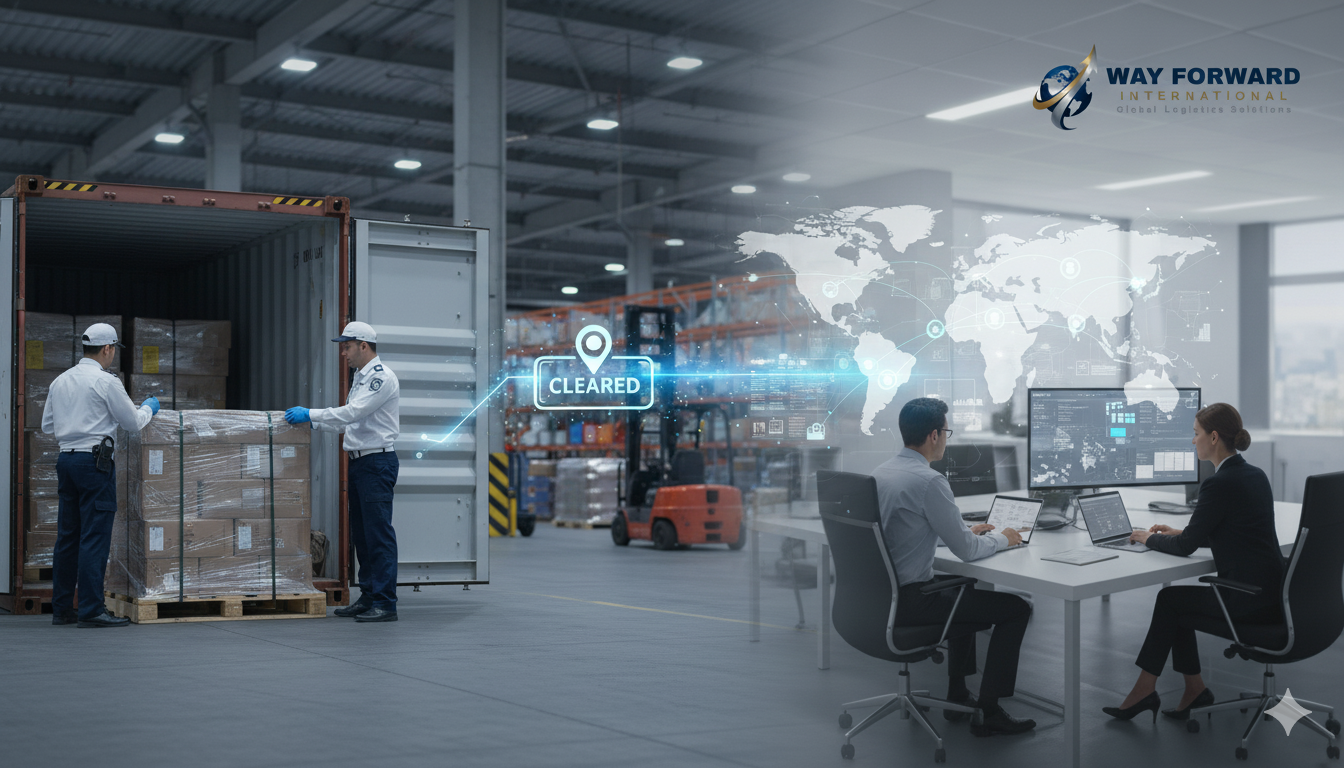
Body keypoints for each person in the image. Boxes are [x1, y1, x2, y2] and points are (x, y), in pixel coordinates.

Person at [1103, 402, 1282, 723]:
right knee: (1178, 605)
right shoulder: (1254, 475)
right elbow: (1224, 528)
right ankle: (1193, 689)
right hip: (1271, 593)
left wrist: (1146, 537)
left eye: (1195, 434)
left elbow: (1186, 548)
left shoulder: (1218, 483)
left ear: (1214, 438)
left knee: (1170, 600)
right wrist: (1179, 530)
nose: (1192, 441)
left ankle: (1145, 690)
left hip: (1245, 599)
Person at [872, 397, 1036, 736]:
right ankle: (989, 710)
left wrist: (961, 529)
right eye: (946, 431)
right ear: (934, 435)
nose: (946, 437)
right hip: (912, 602)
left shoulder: (882, 473)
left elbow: (908, 528)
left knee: (965, 587)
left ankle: (958, 692)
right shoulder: (930, 481)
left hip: (880, 598)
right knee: (1017, 608)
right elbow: (969, 552)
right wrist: (1006, 537)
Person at [43, 323, 159, 628]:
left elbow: (46, 426)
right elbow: (132, 422)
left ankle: (62, 609)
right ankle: (92, 610)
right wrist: (149, 408)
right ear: (107, 349)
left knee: (68, 537)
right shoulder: (106, 382)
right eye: (113, 351)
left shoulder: (60, 381)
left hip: (66, 461)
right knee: (94, 537)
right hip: (95, 464)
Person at [285, 321, 401, 623]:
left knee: (378, 535)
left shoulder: (380, 378)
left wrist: (311, 414)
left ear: (363, 345)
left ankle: (386, 602)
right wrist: (313, 422)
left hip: (377, 463)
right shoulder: (361, 379)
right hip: (361, 462)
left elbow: (353, 413)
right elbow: (347, 421)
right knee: (362, 536)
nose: (344, 353)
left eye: (347, 347)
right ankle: (370, 596)